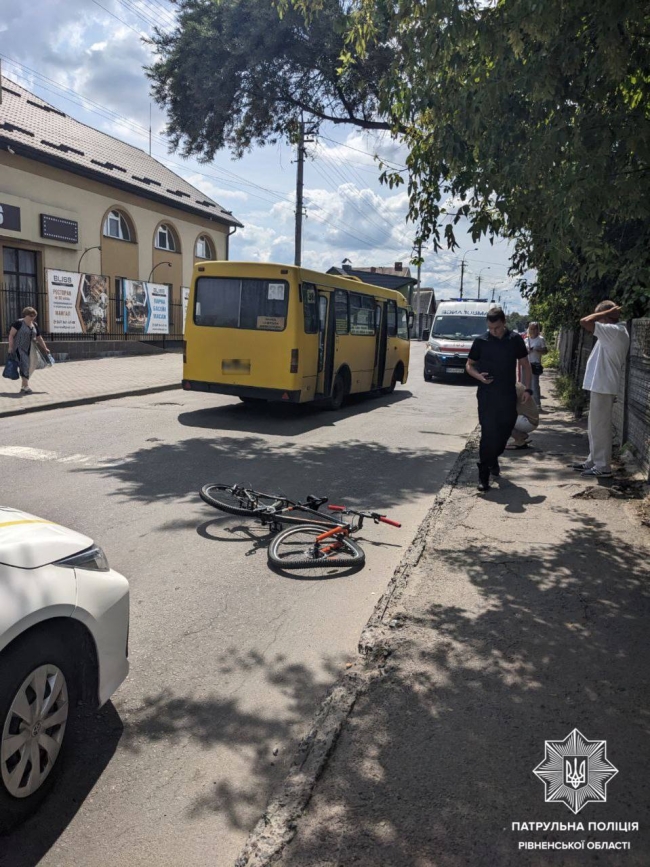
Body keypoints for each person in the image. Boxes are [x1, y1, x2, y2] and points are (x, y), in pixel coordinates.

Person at [466, 307, 533, 492]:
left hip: (507, 395)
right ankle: (484, 474)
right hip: (486, 395)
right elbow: (469, 365)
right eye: (490, 328)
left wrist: (528, 388)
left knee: (504, 433)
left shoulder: (515, 340)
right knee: (488, 433)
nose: (493, 331)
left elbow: (525, 366)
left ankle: (494, 457)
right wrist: (479, 377)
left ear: (504, 322)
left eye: (496, 328)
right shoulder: (481, 341)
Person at [572, 300, 629, 478]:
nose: (599, 322)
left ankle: (603, 466)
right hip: (600, 385)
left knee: (600, 427)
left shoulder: (614, 331)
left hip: (603, 386)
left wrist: (605, 313)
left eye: (602, 317)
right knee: (595, 426)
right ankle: (593, 460)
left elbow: (584, 321)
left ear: (607, 316)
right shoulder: (611, 332)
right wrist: (606, 314)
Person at [7, 307, 51, 395]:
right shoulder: (18, 323)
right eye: (31, 315)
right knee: (25, 364)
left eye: (35, 315)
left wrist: (45, 348)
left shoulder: (34, 324)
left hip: (31, 347)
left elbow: (39, 337)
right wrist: (10, 347)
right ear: (26, 315)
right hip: (19, 347)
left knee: (33, 364)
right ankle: (26, 386)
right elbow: (11, 335)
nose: (33, 317)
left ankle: (24, 385)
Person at [506, 382, 540, 449]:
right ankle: (521, 436)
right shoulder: (516, 384)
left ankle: (519, 439)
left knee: (498, 418)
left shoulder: (513, 388)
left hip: (528, 421)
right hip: (530, 420)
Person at [525, 321, 547, 407]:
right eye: (531, 329)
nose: (533, 331)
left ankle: (537, 404)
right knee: (526, 385)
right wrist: (527, 351)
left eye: (535, 329)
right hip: (526, 365)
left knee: (534, 384)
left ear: (538, 329)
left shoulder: (541, 339)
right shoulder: (526, 340)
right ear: (529, 329)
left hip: (535, 364)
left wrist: (539, 350)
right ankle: (527, 404)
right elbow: (521, 352)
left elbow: (545, 351)